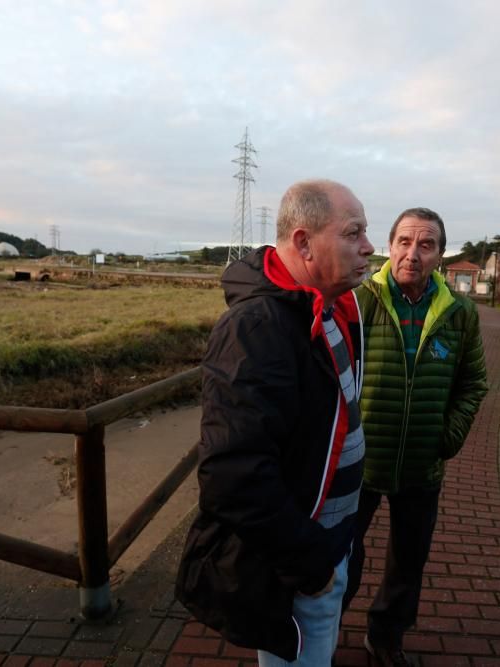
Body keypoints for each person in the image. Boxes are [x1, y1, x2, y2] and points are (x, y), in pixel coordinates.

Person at [175, 179, 375, 665]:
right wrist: (313, 565)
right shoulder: (256, 328)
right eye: (354, 232)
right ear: (304, 242)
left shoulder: (329, 309)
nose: (370, 247)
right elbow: (231, 475)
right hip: (302, 562)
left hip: (329, 542)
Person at [344, 207, 487, 667]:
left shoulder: (460, 313)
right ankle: (324, 631)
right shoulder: (359, 299)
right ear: (390, 246)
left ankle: (385, 638)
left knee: (408, 564)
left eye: (426, 245)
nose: (413, 253)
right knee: (340, 557)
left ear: (441, 255)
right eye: (405, 242)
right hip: (360, 464)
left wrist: (448, 437)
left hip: (424, 466)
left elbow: (473, 382)